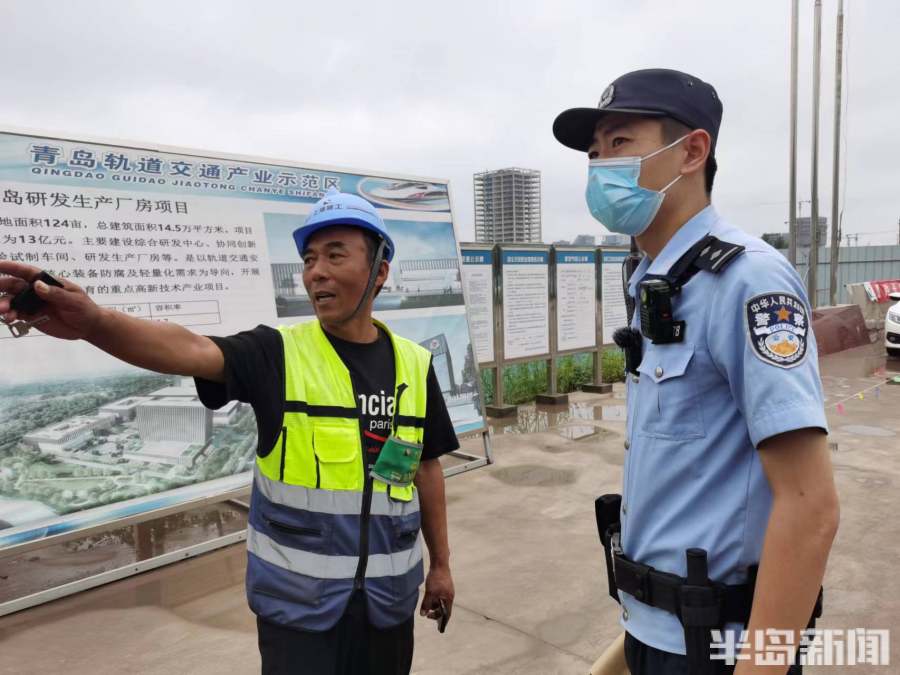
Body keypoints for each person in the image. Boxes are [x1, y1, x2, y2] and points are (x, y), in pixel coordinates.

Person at [0, 188, 457, 675]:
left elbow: (425, 467)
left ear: (379, 271)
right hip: (301, 613)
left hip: (388, 604)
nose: (315, 272)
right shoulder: (276, 353)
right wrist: (95, 323)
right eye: (308, 259)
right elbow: (187, 348)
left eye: (335, 256)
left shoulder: (414, 362)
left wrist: (441, 565)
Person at [553, 69, 839, 674]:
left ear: (692, 151)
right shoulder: (656, 283)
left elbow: (810, 505)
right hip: (656, 637)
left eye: (620, 143)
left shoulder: (746, 280)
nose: (601, 165)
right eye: (594, 152)